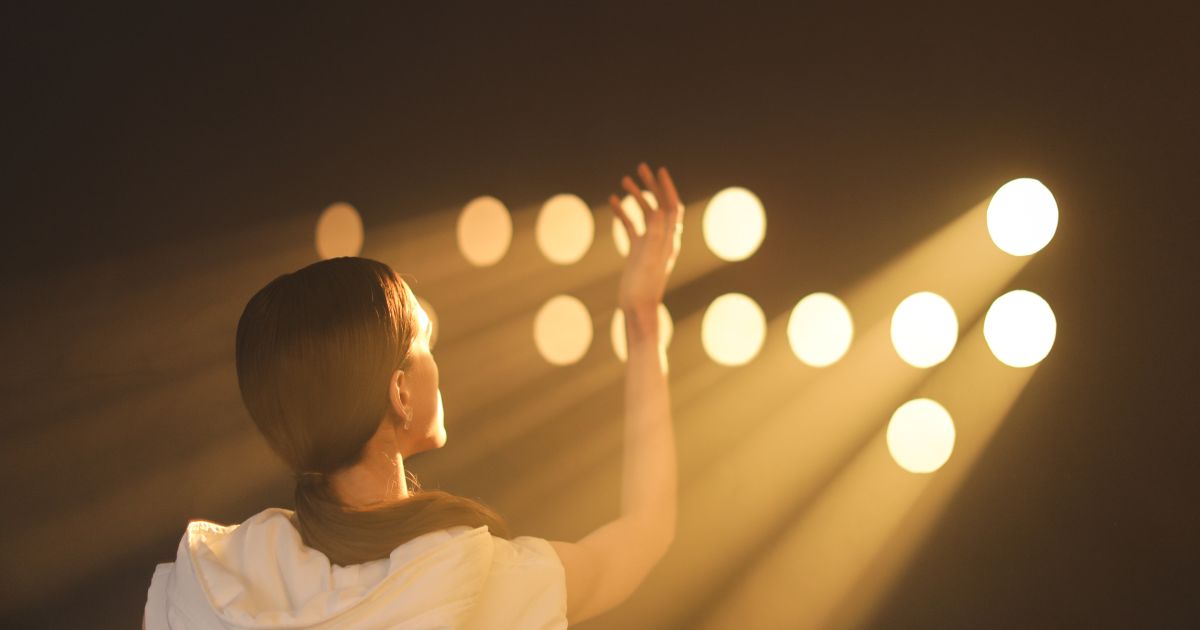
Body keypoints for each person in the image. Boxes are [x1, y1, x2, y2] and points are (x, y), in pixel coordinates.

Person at [143, 163, 682, 628]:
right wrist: (642, 322)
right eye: (425, 342)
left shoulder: (210, 583)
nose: (436, 361)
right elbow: (644, 533)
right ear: (399, 390)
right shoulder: (470, 580)